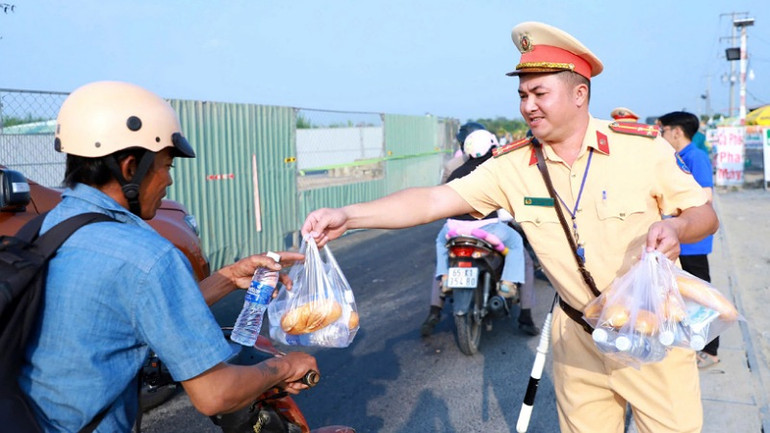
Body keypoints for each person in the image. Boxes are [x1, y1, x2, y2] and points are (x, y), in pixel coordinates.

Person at [302, 21, 718, 433]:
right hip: (577, 336)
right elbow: (433, 200)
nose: (528, 106)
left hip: (651, 329)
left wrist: (679, 230)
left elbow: (704, 214)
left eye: (539, 93)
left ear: (579, 94)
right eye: (522, 95)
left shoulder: (640, 149)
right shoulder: (512, 166)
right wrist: (350, 216)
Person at [18, 81, 318, 432]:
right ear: (131, 167)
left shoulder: (47, 228)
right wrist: (286, 367)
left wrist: (226, 278)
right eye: (165, 166)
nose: (168, 181)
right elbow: (215, 394)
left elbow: (128, 309)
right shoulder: (147, 254)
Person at [421, 129, 540, 337]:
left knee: (440, 244)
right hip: (487, 229)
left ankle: (445, 278)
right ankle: (509, 286)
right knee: (516, 245)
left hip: (453, 229)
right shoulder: (494, 170)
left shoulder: (455, 171)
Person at [658, 111, 718, 368]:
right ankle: (691, 343)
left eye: (664, 130)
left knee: (701, 296)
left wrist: (672, 215)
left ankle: (711, 350)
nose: (662, 135)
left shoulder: (696, 157)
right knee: (682, 296)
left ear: (676, 131)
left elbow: (706, 198)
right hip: (680, 240)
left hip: (693, 241)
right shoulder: (677, 157)